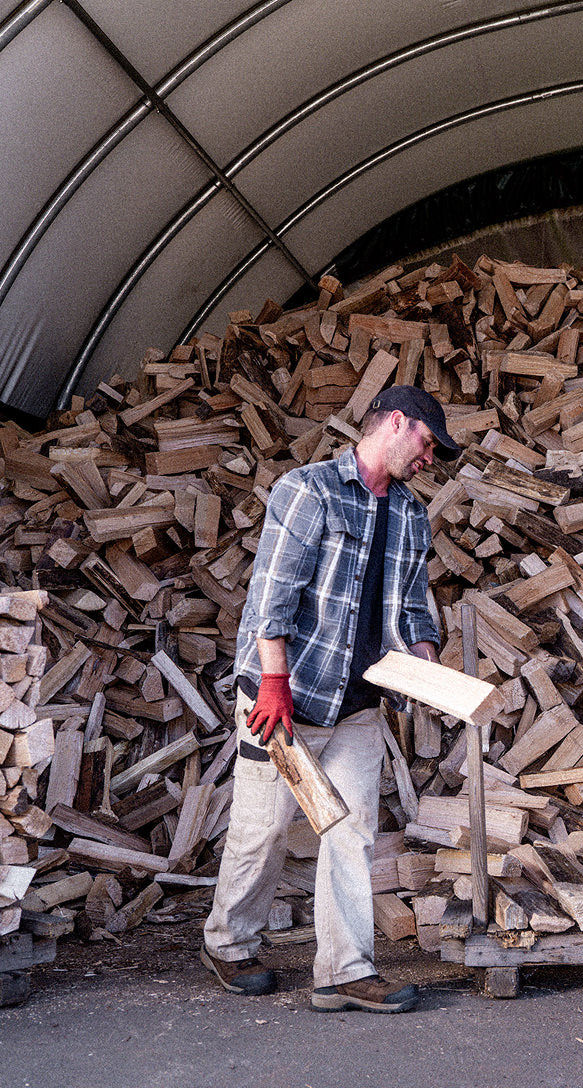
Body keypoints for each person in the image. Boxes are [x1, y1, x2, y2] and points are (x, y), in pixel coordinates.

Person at [200, 385, 459, 1013]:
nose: (429, 460)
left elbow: (413, 604)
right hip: (285, 695)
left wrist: (425, 658)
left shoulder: (410, 514)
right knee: (265, 828)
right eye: (427, 445)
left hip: (357, 702)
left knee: (353, 832)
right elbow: (271, 595)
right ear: (397, 423)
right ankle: (229, 944)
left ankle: (344, 970)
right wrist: (271, 681)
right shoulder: (308, 490)